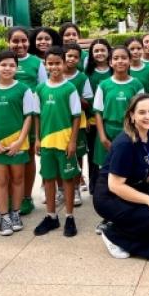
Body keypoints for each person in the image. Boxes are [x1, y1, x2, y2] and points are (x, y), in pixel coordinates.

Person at [93, 94, 149, 261]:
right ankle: (113, 235)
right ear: (132, 116)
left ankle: (136, 225)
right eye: (142, 112)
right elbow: (115, 186)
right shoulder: (124, 144)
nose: (148, 116)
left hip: (135, 188)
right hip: (110, 197)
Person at [0, 50, 35, 236]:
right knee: (1, 180)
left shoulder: (24, 89)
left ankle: (16, 213)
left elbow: (28, 117)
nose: (7, 68)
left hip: (18, 143)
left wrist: (20, 141)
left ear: (17, 68)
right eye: (3, 65)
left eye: (12, 65)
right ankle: (4, 216)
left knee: (18, 179)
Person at [0, 27, 47, 216]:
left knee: (27, 157)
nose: (20, 44)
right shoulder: (2, 61)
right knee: (7, 158)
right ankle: (10, 197)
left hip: (29, 118)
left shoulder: (37, 63)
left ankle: (26, 197)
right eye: (15, 41)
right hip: (7, 118)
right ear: (8, 42)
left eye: (24, 40)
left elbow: (43, 89)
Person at [93, 46, 144, 233]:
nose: (120, 61)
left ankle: (126, 215)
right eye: (116, 58)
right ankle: (108, 217)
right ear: (110, 62)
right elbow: (98, 112)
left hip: (130, 134)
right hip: (108, 133)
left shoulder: (136, 84)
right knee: (108, 178)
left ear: (130, 61)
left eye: (124, 58)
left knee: (127, 177)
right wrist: (102, 136)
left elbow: (142, 111)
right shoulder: (104, 85)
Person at [32, 46, 82, 238]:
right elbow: (37, 115)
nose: (54, 67)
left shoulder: (70, 88)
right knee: (48, 178)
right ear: (45, 65)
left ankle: (69, 216)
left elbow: (76, 116)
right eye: (50, 63)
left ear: (64, 63)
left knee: (68, 179)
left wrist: (72, 142)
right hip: (46, 142)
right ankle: (51, 216)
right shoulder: (40, 89)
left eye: (57, 63)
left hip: (64, 142)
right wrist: (37, 139)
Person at [63, 44, 93, 206]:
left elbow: (88, 102)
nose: (72, 59)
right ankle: (61, 189)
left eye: (76, 57)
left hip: (78, 122)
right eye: (69, 55)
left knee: (77, 156)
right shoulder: (54, 75)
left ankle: (75, 188)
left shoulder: (82, 78)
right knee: (59, 155)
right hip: (59, 123)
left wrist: (74, 95)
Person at [84, 38, 113, 193]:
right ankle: (94, 184)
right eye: (96, 51)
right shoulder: (88, 73)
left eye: (103, 50)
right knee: (94, 153)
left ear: (109, 52)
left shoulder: (114, 70)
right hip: (93, 120)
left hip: (111, 120)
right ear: (91, 54)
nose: (99, 53)